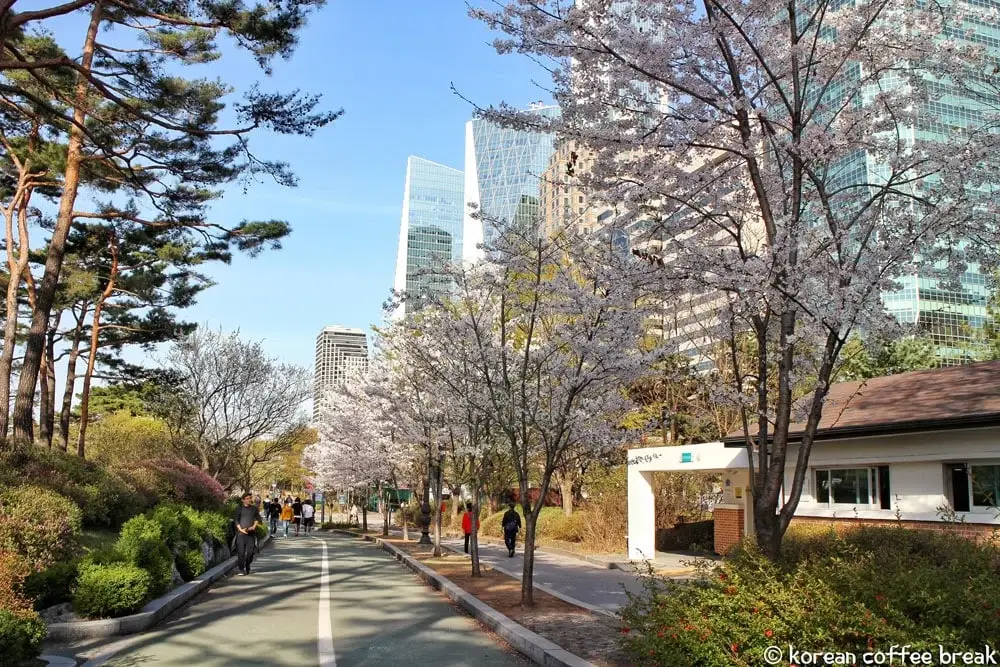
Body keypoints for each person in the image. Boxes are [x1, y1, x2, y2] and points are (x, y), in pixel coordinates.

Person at [233, 492, 262, 575]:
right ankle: (241, 569)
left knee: (250, 552)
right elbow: (236, 520)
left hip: (251, 534)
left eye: (250, 498)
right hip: (241, 534)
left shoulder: (254, 508)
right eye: (247, 498)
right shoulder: (239, 508)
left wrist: (253, 526)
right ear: (243, 500)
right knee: (241, 553)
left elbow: (257, 519)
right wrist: (241, 530)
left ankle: (248, 564)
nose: (249, 500)